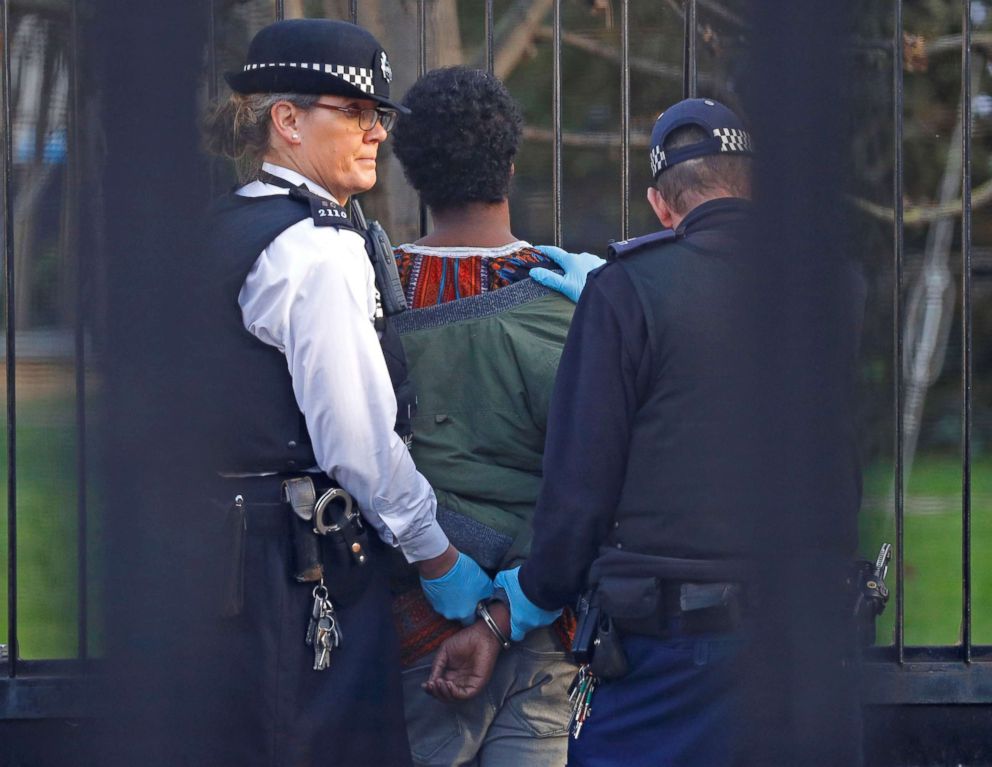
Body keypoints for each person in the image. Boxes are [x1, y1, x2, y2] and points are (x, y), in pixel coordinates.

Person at [426, 98, 771, 765]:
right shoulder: (832, 291)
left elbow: (580, 493)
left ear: (659, 203)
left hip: (673, 646)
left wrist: (506, 613)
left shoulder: (625, 290)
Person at [199, 20, 493, 767]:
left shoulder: (230, 223)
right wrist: (436, 555)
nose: (375, 134)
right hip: (295, 560)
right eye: (355, 112)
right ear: (287, 119)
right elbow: (357, 442)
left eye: (380, 116)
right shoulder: (317, 249)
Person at [386, 66, 577, 767]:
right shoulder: (571, 299)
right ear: (512, 164)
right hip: (546, 623)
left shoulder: (372, 299)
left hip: (416, 630)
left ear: (410, 173)